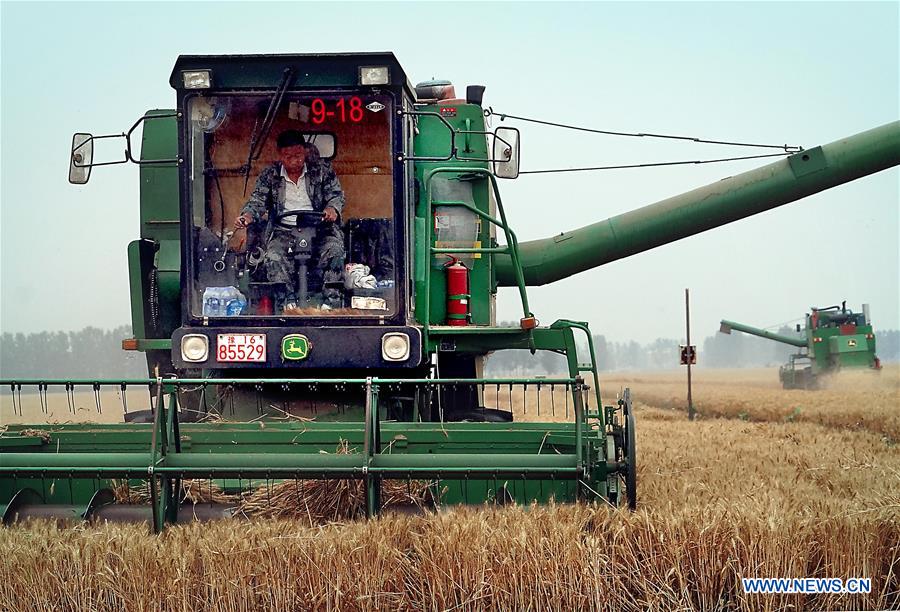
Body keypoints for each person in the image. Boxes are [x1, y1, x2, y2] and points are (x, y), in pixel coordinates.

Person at [234, 130, 346, 310]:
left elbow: (336, 196)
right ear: (280, 155)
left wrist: (332, 209)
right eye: (288, 156)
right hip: (284, 230)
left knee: (334, 251)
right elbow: (257, 202)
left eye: (298, 155)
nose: (294, 160)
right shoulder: (270, 175)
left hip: (320, 228)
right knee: (273, 257)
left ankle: (330, 304)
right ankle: (287, 303)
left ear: (305, 152)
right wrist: (246, 216)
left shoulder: (322, 170)